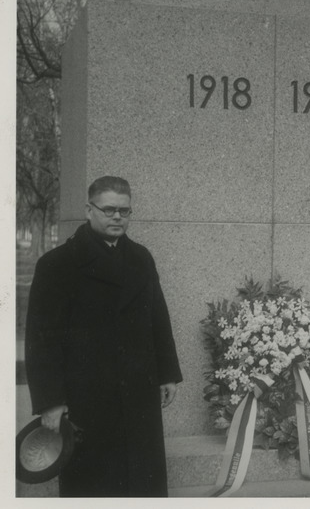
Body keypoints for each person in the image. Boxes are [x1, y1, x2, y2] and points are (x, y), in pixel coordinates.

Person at [25, 176, 183, 497]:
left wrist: (167, 374)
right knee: (93, 485)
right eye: (109, 209)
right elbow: (42, 341)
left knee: (142, 483)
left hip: (138, 394)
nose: (117, 217)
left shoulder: (141, 258)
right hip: (86, 400)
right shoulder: (57, 265)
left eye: (124, 211)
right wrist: (51, 402)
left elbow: (158, 318)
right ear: (88, 209)